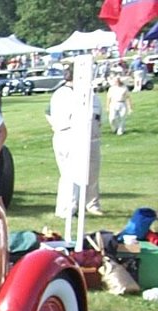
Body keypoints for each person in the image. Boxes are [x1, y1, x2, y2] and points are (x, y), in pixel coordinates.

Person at [45, 67, 102, 217]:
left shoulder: (87, 93)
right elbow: (50, 113)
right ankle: (67, 209)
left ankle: (87, 204)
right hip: (70, 136)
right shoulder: (64, 94)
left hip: (86, 136)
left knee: (87, 173)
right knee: (71, 174)